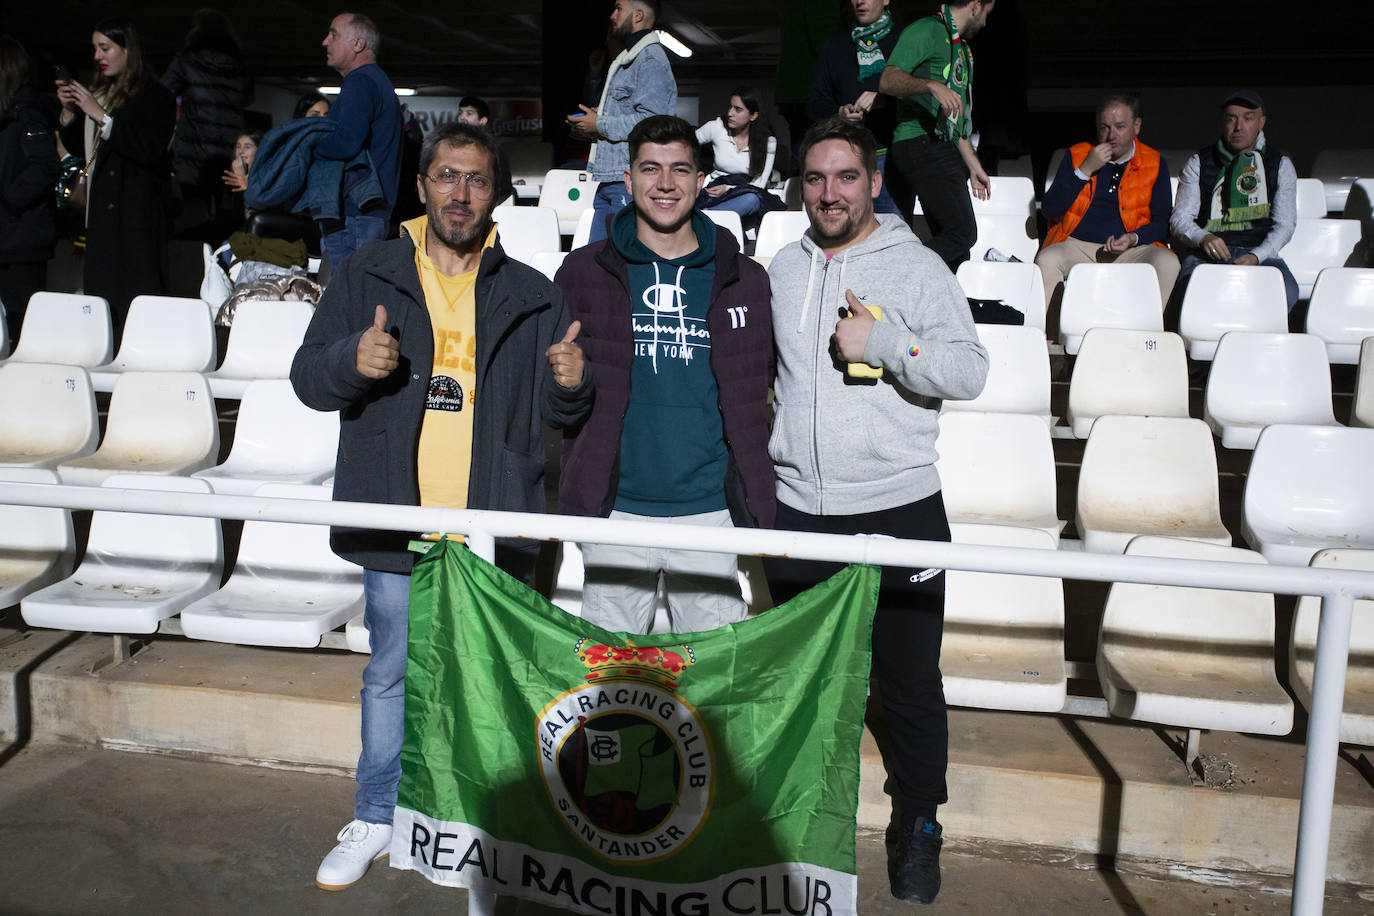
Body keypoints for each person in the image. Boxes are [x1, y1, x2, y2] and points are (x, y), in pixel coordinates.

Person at [290, 121, 592, 891]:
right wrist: (350, 363)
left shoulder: (532, 291)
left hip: (488, 523)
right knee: (390, 669)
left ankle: (469, 824)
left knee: (482, 677)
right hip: (400, 518)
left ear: (498, 193)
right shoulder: (368, 273)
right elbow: (307, 379)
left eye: (479, 180)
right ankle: (376, 813)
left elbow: (560, 419)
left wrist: (569, 384)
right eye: (448, 177)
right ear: (422, 185)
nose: (462, 194)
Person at [763, 117, 987, 906]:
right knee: (809, 681)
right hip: (799, 509)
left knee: (909, 683)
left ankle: (919, 823)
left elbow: (968, 370)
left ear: (873, 182)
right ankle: (801, 820)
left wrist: (887, 342)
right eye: (817, 179)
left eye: (846, 177)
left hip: (900, 507)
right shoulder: (781, 268)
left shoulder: (916, 265)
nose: (831, 192)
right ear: (802, 187)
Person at [555, 114, 775, 634]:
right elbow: (559, 400)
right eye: (650, 169)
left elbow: (758, 392)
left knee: (711, 689)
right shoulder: (582, 273)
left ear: (702, 181)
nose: (665, 183)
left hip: (709, 512)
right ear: (627, 180)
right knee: (610, 685)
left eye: (680, 169)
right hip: (616, 511)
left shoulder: (746, 278)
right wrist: (565, 381)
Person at [56, 17, 176, 339]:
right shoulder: (101, 94)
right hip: (101, 222)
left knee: (136, 308)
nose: (98, 56)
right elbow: (82, 150)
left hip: (135, 221)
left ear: (128, 51)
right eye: (95, 48)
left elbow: (148, 150)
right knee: (101, 309)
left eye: (105, 48)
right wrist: (70, 113)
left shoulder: (157, 98)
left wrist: (101, 116)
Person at [878, 0, 995, 269]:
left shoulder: (959, 48)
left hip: (944, 145)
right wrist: (930, 85)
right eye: (987, 13)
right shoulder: (926, 30)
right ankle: (894, 272)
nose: (986, 22)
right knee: (962, 233)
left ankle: (938, 307)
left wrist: (974, 165)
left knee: (956, 249)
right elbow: (887, 79)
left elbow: (954, 118)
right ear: (975, 6)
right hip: (920, 141)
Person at [1036, 93, 1179, 309]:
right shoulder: (1078, 155)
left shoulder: (1154, 162)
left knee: (1168, 263)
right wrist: (1085, 169)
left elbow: (1162, 223)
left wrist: (1133, 238)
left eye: (1120, 127)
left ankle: (1147, 334)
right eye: (1104, 127)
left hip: (1131, 249)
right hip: (1077, 245)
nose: (1112, 135)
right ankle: (1051, 338)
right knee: (1047, 259)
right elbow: (1049, 209)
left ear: (1136, 126)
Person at [1170, 89, 1299, 310]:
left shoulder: (1279, 165)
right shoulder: (1199, 162)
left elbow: (1285, 225)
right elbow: (1180, 219)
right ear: (1222, 123)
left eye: (1248, 118)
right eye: (1231, 119)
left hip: (1259, 254)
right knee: (1189, 293)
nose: (1239, 127)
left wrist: (1256, 256)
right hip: (1206, 255)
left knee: (1287, 291)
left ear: (1261, 122)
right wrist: (1204, 237)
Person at [566, 0, 677, 244]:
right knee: (597, 261)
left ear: (637, 15)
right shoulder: (629, 58)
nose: (612, 15)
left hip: (629, 180)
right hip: (611, 178)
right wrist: (592, 125)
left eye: (618, 8)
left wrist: (600, 124)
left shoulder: (650, 59)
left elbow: (652, 123)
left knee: (617, 261)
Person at [313, 11, 402, 268]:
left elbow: (346, 142)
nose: (325, 42)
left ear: (358, 44)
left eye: (334, 34)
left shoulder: (360, 81)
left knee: (349, 300)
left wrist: (307, 144)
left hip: (355, 217)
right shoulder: (375, 80)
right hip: (367, 216)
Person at [161, 9, 250, 241]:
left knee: (192, 219)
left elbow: (163, 94)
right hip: (229, 151)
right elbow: (248, 98)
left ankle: (194, 271)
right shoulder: (240, 66)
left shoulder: (187, 61)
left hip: (194, 153)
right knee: (226, 219)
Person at [808, 0, 902, 214]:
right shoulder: (836, 44)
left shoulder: (904, 40)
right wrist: (838, 113)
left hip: (892, 158)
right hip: (845, 156)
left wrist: (884, 97)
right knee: (847, 237)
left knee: (894, 235)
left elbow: (921, 94)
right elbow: (815, 103)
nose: (860, 1)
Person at [0, 36, 59, 346]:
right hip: (11, 238)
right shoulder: (11, 114)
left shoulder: (28, 114)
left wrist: (9, 202)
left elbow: (44, 167)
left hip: (20, 244)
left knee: (21, 327)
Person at [694, 87, 780, 221]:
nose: (730, 113)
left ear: (753, 115)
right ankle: (707, 217)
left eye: (737, 109)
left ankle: (706, 219)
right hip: (712, 190)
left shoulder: (768, 142)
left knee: (752, 199)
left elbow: (759, 185)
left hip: (742, 193)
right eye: (730, 107)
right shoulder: (717, 127)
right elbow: (686, 143)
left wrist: (728, 189)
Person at [455, 95, 513, 205]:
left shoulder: (492, 150)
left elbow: (503, 187)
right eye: (460, 113)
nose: (462, 117)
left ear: (482, 120)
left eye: (469, 113)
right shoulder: (454, 147)